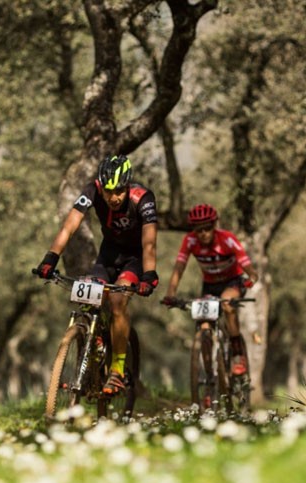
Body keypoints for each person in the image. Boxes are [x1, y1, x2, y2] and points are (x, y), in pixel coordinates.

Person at [34, 155, 158, 395]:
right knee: (89, 296)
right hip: (108, 255)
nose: (113, 198)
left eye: (119, 191)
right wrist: (51, 257)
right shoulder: (92, 189)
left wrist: (149, 274)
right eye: (108, 192)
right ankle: (95, 341)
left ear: (128, 185)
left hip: (135, 258)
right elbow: (70, 226)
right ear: (101, 187)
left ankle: (117, 370)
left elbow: (150, 243)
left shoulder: (143, 198)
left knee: (118, 301)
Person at [162, 204, 258, 377]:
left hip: (232, 282)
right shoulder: (190, 240)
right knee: (204, 325)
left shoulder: (227, 239)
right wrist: (171, 293)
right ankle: (210, 378)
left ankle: (237, 357)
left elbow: (246, 265)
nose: (203, 233)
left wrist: (251, 278)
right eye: (199, 230)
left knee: (228, 306)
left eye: (207, 228)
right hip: (210, 285)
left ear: (214, 226)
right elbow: (179, 268)